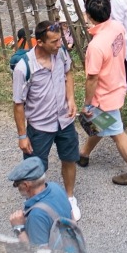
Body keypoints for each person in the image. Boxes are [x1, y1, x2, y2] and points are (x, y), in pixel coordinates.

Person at [77, 0, 127, 184]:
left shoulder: (96, 46)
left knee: (117, 132)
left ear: (89, 16)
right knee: (101, 123)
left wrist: (87, 104)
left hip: (104, 94)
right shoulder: (117, 27)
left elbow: (92, 78)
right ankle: (84, 154)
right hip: (118, 83)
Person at [13, 20, 79, 198]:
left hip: (65, 120)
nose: (59, 44)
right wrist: (22, 136)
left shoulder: (62, 53)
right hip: (40, 127)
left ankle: (70, 197)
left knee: (69, 158)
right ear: (39, 42)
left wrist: (71, 99)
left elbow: (68, 74)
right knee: (36, 168)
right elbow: (18, 104)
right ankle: (36, 202)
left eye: (60, 40)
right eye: (54, 42)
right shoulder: (23, 68)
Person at [6, 156, 77, 250]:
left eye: (16, 184)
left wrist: (19, 228)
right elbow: (72, 217)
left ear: (26, 185)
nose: (17, 187)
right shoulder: (55, 187)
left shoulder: (37, 215)